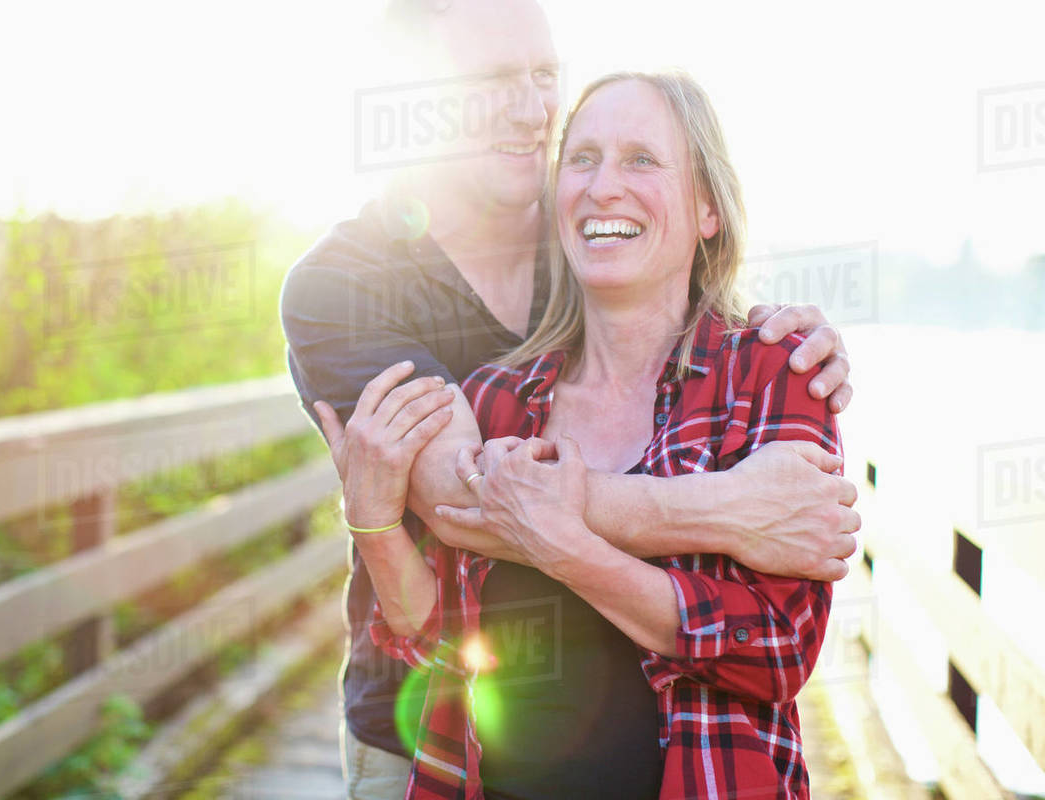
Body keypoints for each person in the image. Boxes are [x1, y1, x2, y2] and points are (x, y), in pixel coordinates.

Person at [281, 2, 858, 796]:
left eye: (544, 75)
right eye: (492, 81)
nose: (531, 109)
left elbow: (776, 647)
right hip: (420, 734)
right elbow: (456, 512)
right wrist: (732, 507)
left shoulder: (598, 242)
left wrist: (791, 344)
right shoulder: (352, 290)